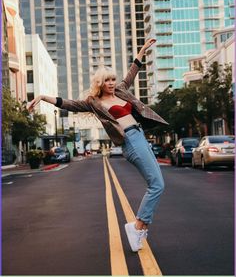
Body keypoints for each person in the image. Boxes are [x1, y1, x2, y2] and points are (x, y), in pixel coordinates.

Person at [28, 38, 168, 252]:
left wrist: (141, 50)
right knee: (157, 185)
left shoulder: (121, 91)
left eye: (113, 79)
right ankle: (138, 226)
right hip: (130, 141)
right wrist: (41, 97)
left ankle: (139, 226)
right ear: (100, 84)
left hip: (141, 137)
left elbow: (132, 71)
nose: (112, 83)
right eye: (107, 80)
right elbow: (69, 104)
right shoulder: (94, 103)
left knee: (157, 183)